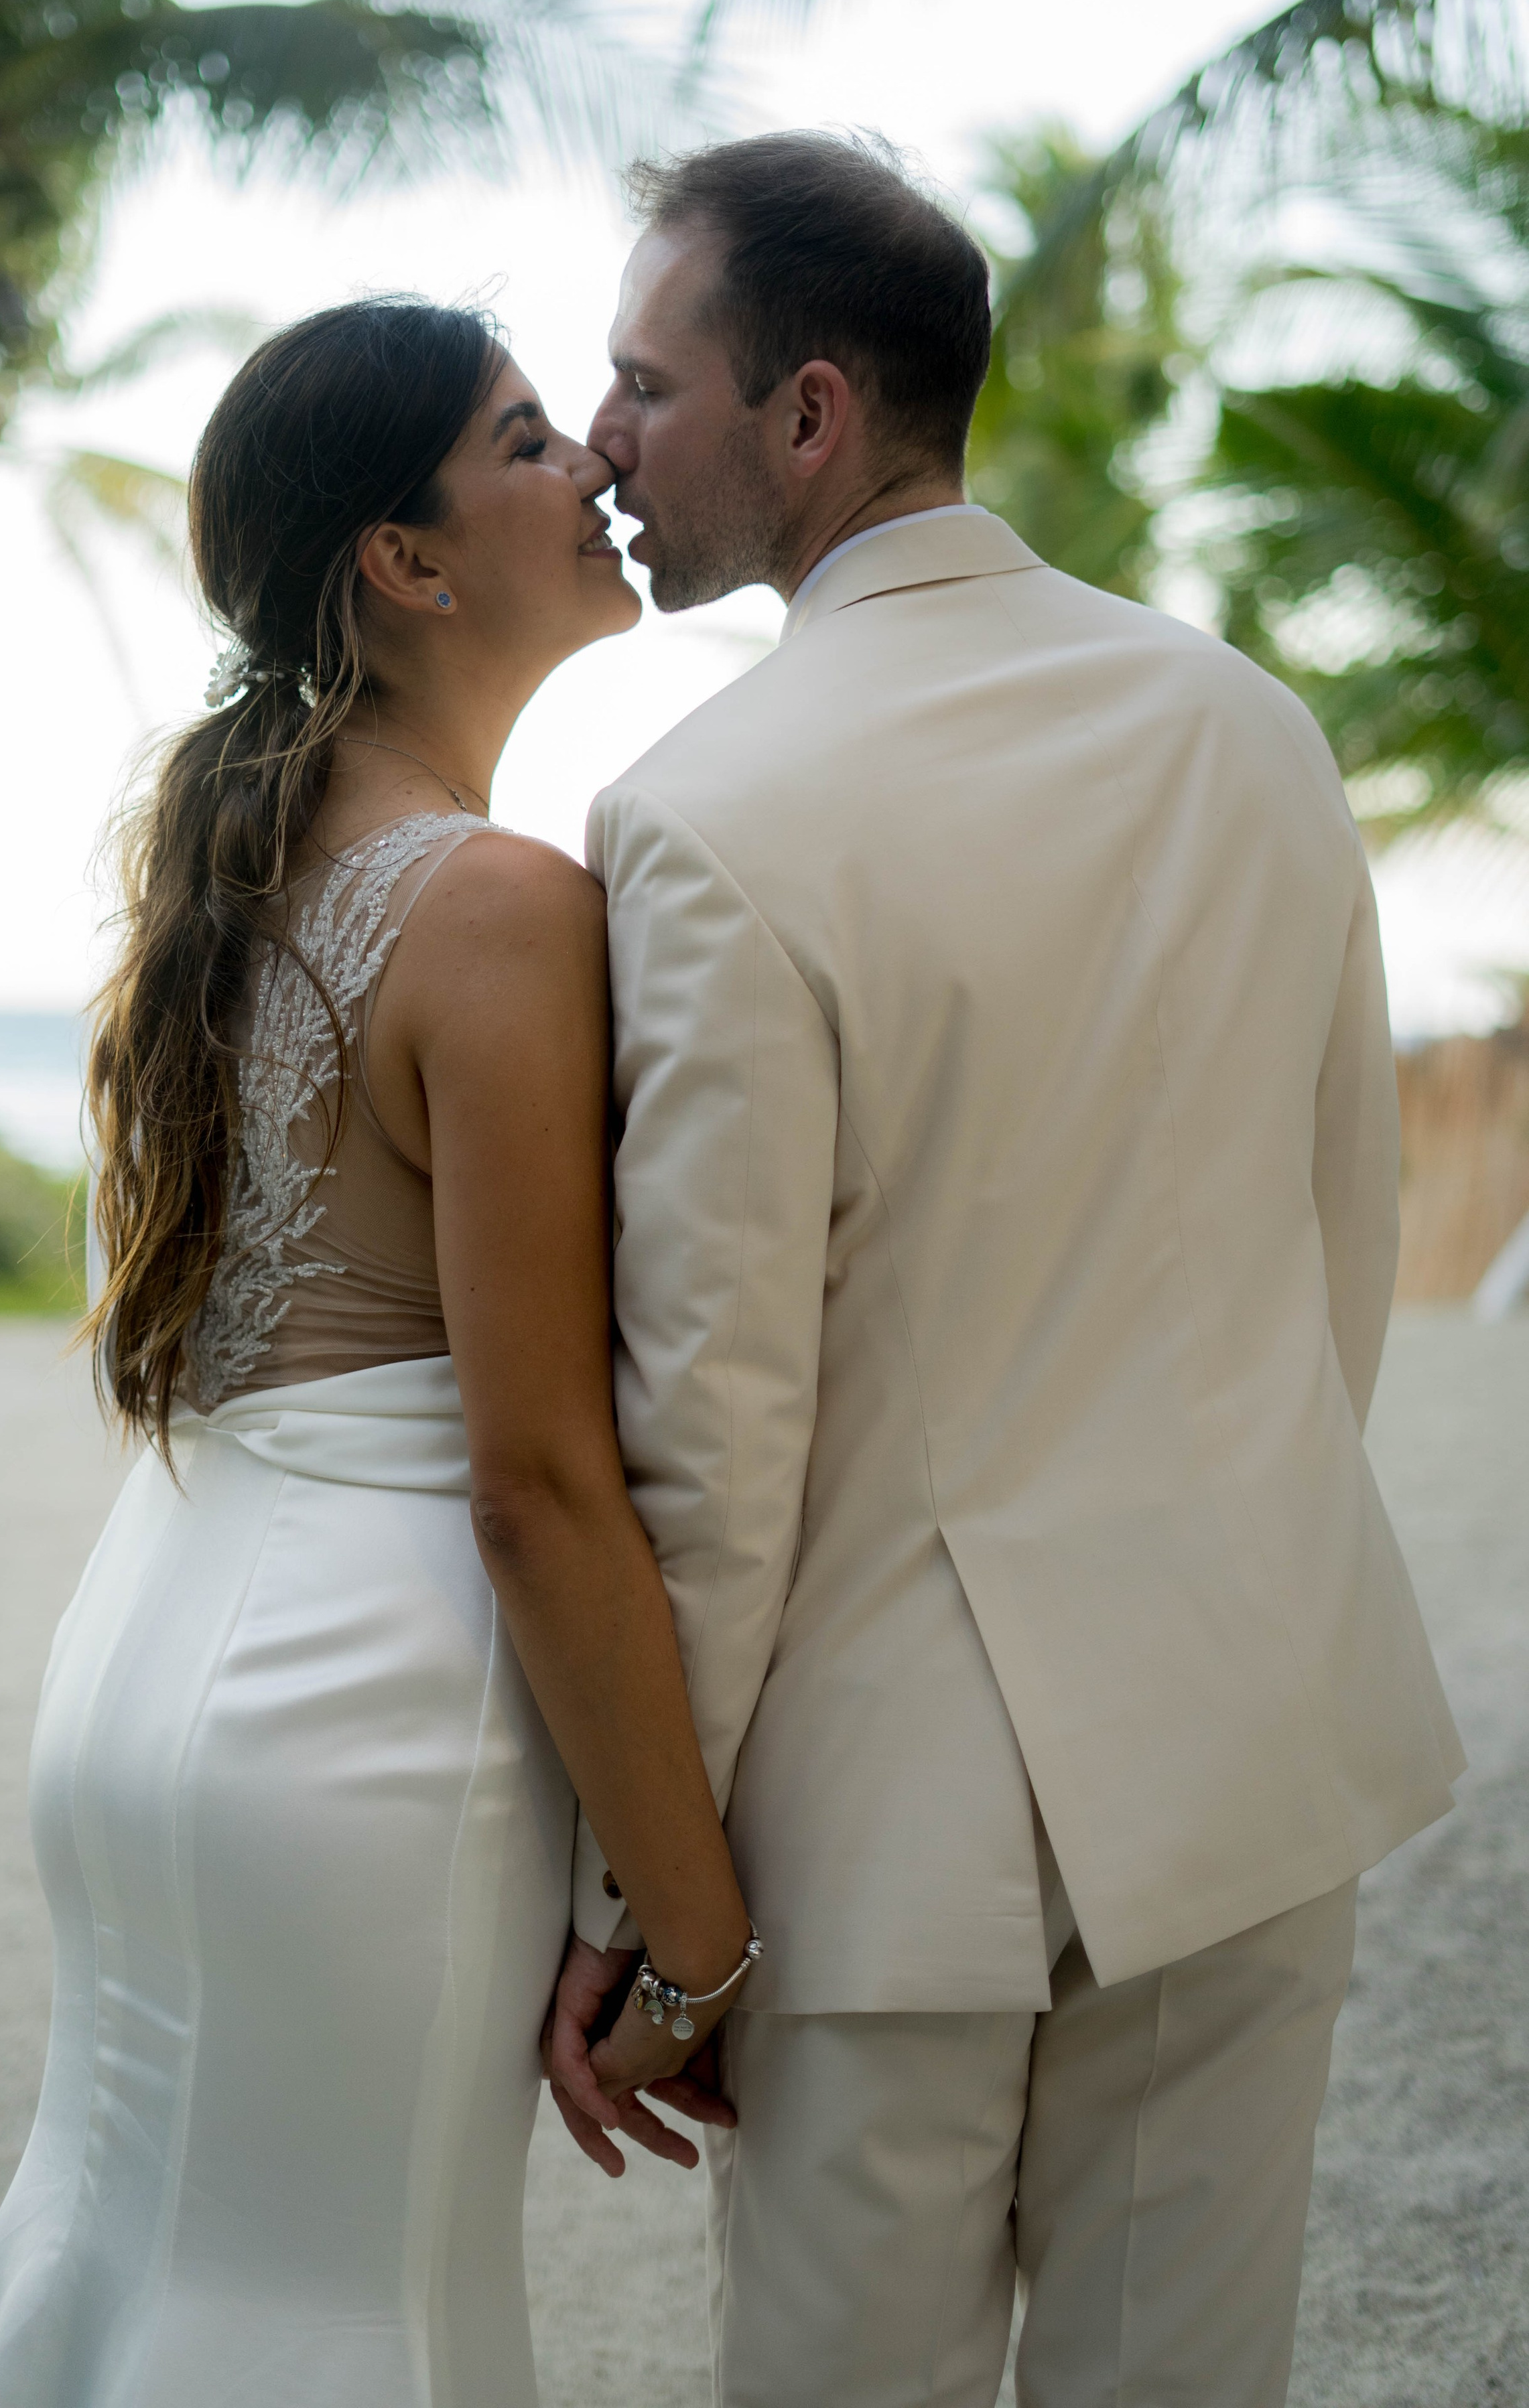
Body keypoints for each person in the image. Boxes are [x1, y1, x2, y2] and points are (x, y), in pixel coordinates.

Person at [547, 133, 1465, 2408]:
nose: (601, 448)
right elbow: (1336, 1254)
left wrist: (648, 1910)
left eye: (643, 386)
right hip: (1253, 1748)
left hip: (892, 1843)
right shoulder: (1252, 730)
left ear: (814, 415)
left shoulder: (708, 816)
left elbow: (714, 1436)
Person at [0, 297, 756, 2408]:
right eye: (535, 437)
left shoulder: (239, 873)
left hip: (153, 1661)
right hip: (358, 1722)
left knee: (136, 2241)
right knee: (346, 2314)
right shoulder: (494, 905)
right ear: (409, 556)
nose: (597, 474)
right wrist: (698, 1935)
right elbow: (539, 1481)